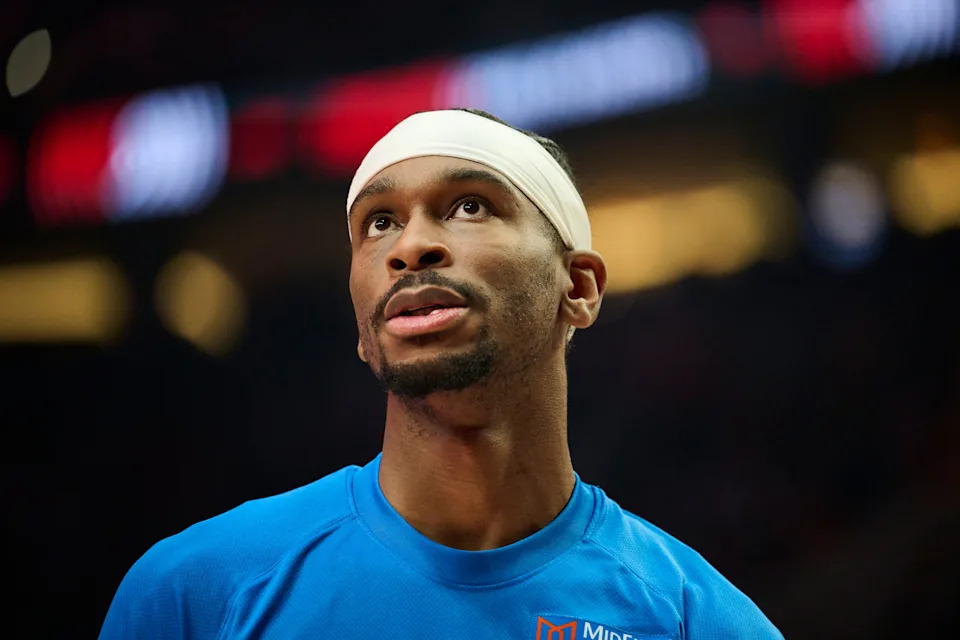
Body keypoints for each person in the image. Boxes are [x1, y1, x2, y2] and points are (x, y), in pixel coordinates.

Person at [100, 108, 783, 639]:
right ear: (364, 332)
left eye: (468, 206)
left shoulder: (701, 620)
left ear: (577, 287)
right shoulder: (193, 594)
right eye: (378, 223)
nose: (410, 246)